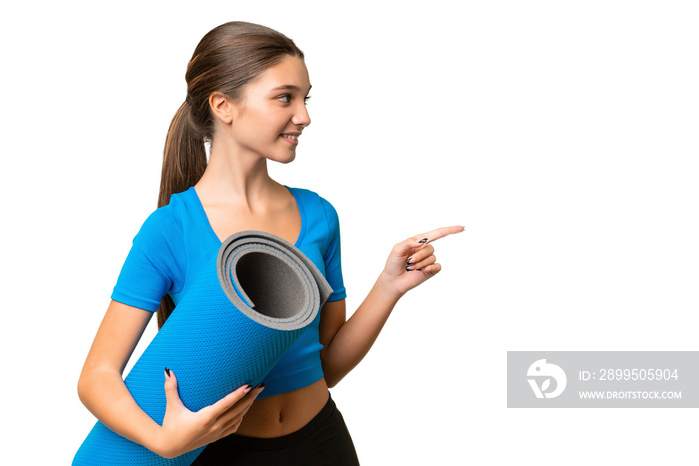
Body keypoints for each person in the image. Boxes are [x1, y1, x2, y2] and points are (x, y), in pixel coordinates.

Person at [77, 21, 463, 465]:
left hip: (322, 441)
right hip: (223, 451)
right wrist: (161, 439)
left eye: (305, 98)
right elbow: (97, 377)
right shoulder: (171, 228)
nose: (304, 115)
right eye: (285, 97)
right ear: (223, 105)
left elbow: (329, 365)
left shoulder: (319, 214)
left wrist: (389, 286)